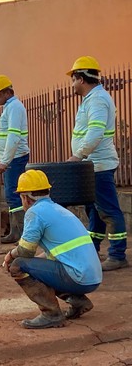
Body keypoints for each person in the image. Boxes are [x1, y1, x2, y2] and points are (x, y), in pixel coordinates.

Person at [3, 169, 102, 329]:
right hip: (92, 277)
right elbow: (55, 254)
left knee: (18, 264)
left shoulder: (35, 213)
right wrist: (35, 264)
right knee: (36, 267)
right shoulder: (59, 210)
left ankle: (51, 314)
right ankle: (77, 301)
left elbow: (26, 251)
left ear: (26, 197)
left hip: (78, 277)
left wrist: (10, 256)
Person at [66, 56, 128, 271]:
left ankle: (118, 255)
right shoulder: (92, 99)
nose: (72, 84)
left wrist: (78, 155)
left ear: (81, 78)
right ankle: (93, 250)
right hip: (92, 165)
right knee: (94, 211)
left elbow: (95, 131)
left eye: (73, 79)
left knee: (109, 211)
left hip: (99, 165)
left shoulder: (98, 100)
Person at [0, 75, 29, 244]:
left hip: (15, 159)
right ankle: (16, 231)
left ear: (6, 92)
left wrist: (5, 161)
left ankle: (20, 233)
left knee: (14, 196)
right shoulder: (10, 107)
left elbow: (13, 136)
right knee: (12, 195)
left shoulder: (15, 108)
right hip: (13, 159)